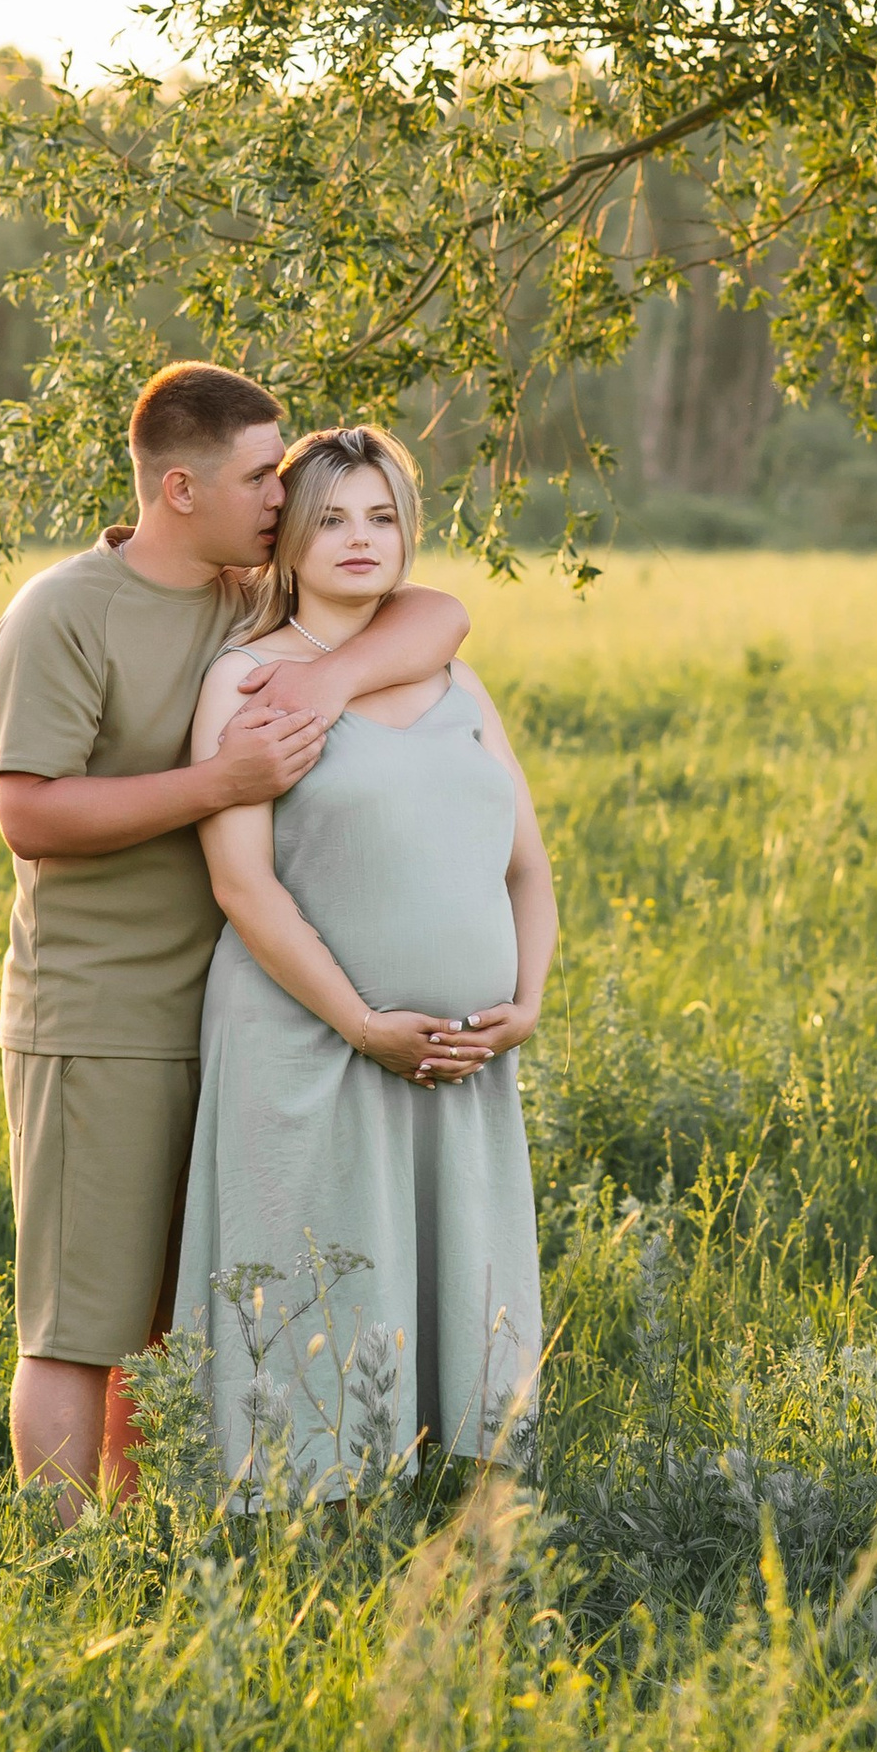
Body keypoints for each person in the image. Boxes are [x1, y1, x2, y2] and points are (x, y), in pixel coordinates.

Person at [0, 362, 471, 1502]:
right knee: (77, 1317)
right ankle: (60, 1566)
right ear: (178, 486)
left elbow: (440, 610)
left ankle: (145, 1538)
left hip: (241, 1009)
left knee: (175, 1308)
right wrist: (223, 779)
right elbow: (30, 811)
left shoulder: (243, 598)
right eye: (261, 474)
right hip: (98, 1016)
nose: (281, 494)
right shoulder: (63, 611)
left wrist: (339, 675)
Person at [174, 425, 556, 1495]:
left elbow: (527, 864)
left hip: (460, 1061)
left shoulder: (457, 677)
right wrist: (360, 1021)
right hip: (311, 1044)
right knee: (309, 1283)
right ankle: (294, 1532)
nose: (359, 537)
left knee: (456, 1293)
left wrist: (524, 1001)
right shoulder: (248, 682)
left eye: (381, 515)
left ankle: (451, 1510)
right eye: (331, 515)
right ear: (289, 536)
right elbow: (242, 882)